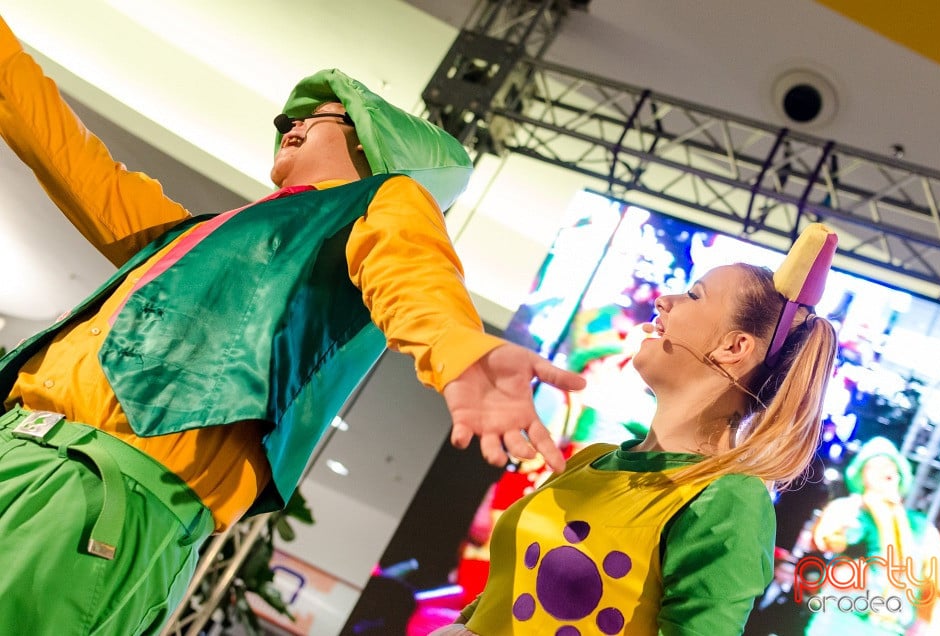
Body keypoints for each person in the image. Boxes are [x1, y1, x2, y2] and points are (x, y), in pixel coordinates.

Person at [0, 14, 586, 636]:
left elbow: (412, 270)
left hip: (95, 494)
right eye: (288, 119)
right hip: (19, 448)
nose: (290, 124)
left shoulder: (388, 199)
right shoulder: (195, 238)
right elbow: (70, 155)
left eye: (321, 115)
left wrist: (459, 348)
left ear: (373, 143)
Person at [430, 222, 841, 634]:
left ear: (733, 347)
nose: (664, 300)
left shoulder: (728, 500)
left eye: (694, 294)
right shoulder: (592, 460)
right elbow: (505, 595)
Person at [806, 436, 940, 635]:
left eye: (889, 465)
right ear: (861, 476)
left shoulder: (921, 526)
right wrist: (844, 523)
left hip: (892, 628)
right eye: (874, 466)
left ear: (900, 475)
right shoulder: (853, 509)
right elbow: (829, 538)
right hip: (843, 620)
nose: (884, 471)